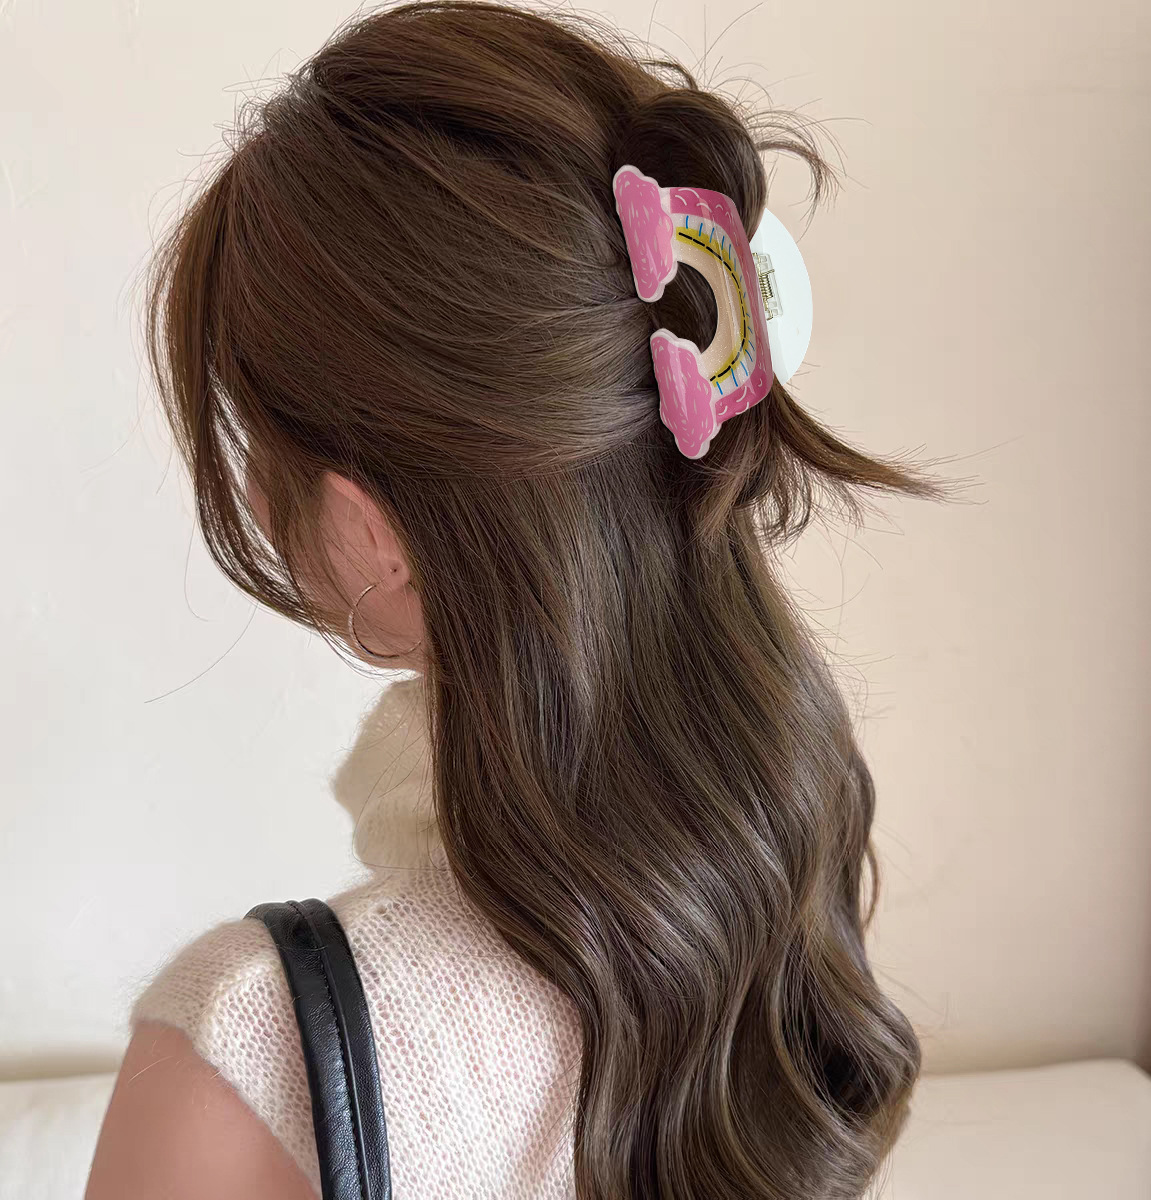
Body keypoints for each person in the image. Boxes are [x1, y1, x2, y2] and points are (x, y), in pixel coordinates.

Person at [85, 3, 935, 1196]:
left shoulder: (253, 1050)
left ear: (367, 528)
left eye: (252, 440)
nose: (250, 493)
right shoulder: (783, 853)